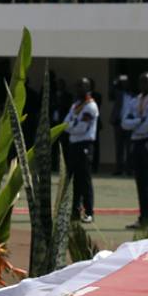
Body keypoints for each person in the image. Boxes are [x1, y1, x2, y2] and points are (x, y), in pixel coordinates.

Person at [122, 72, 148, 230]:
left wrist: (136, 124)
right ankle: (143, 217)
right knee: (140, 182)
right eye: (141, 82)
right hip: (137, 142)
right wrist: (139, 121)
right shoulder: (135, 100)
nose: (143, 85)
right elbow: (124, 122)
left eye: (146, 82)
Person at [64, 77, 99, 223]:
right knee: (74, 181)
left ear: (88, 88)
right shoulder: (76, 105)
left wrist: (71, 125)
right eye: (77, 86)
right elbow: (65, 123)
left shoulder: (90, 106)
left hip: (84, 145)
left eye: (82, 87)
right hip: (74, 146)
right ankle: (75, 211)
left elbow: (80, 128)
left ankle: (89, 211)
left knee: (85, 180)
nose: (78, 89)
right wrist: (72, 125)